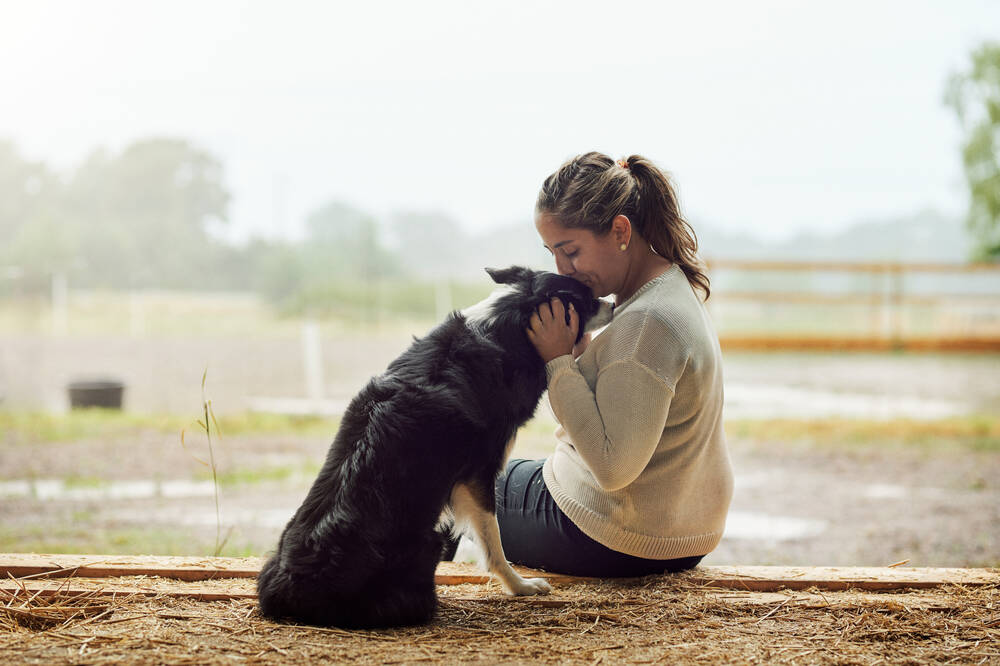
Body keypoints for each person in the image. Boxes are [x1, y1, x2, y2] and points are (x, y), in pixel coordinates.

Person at [493, 151, 733, 577]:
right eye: (552, 253)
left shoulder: (646, 322)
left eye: (571, 251)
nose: (562, 270)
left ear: (621, 231)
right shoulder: (666, 288)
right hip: (677, 528)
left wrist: (558, 362)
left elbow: (612, 468)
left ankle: (405, 607)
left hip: (616, 535)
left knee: (453, 481)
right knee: (498, 471)